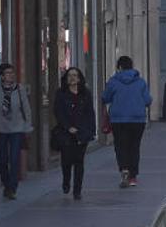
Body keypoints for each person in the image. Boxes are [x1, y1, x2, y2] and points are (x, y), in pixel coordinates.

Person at [102, 56, 153, 188]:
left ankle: (124, 169)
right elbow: (148, 100)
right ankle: (133, 177)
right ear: (132, 66)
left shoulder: (113, 82)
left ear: (119, 67)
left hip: (118, 120)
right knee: (134, 146)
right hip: (137, 120)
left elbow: (105, 97)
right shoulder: (141, 82)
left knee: (120, 145)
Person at [0, 63, 32, 200]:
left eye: (12, 72)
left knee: (14, 159)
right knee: (3, 160)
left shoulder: (20, 89)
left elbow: (26, 109)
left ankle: (12, 188)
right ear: (1, 76)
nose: (11, 75)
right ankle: (6, 183)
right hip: (1, 130)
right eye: (7, 73)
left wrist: (27, 126)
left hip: (17, 129)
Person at [54, 67, 97, 200]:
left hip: (82, 133)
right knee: (66, 160)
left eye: (75, 75)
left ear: (79, 78)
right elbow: (58, 112)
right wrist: (68, 127)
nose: (72, 78)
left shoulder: (86, 94)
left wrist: (90, 130)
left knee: (79, 161)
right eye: (70, 76)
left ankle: (77, 190)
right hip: (66, 133)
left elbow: (90, 113)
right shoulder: (61, 94)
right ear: (66, 79)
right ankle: (66, 181)